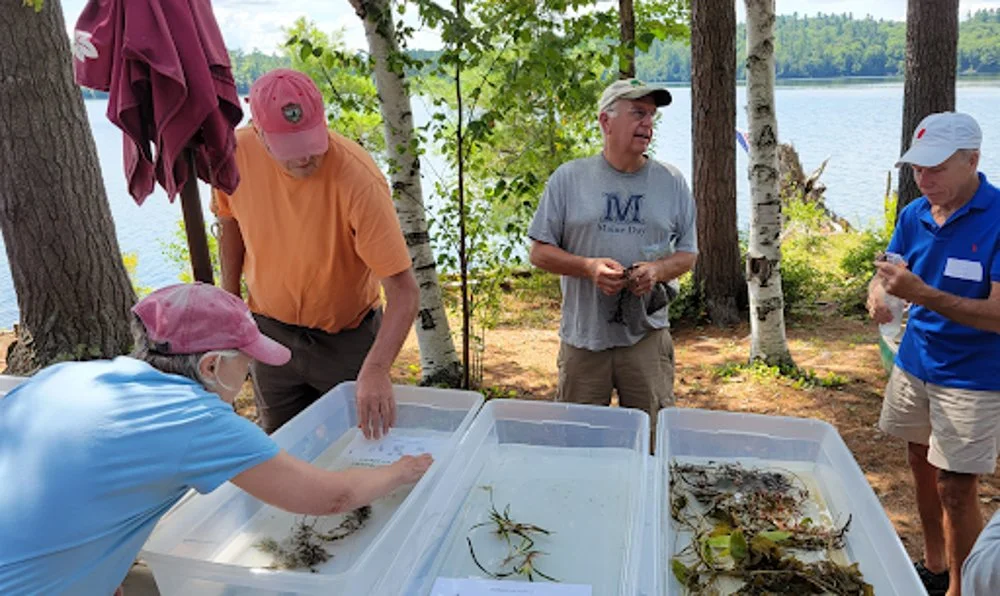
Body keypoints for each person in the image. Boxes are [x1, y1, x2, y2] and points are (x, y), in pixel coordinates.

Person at [0, 283, 432, 595]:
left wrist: (102, 570)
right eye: (246, 363)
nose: (248, 376)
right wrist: (402, 470)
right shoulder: (194, 419)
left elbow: (65, 490)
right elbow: (331, 498)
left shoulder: (66, 375)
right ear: (211, 366)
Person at [212, 68, 419, 439]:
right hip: (268, 333)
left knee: (359, 447)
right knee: (282, 447)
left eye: (311, 142)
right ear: (259, 132)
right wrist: (230, 300)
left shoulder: (359, 179)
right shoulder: (235, 155)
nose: (305, 158)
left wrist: (376, 370)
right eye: (290, 149)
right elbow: (229, 222)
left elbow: (404, 291)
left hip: (347, 340)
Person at [867, 111, 1000, 596]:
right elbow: (888, 271)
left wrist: (921, 294)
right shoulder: (914, 214)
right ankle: (936, 564)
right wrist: (878, 294)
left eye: (936, 168)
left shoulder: (998, 217)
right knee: (920, 464)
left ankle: (965, 588)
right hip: (915, 363)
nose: (924, 180)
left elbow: (997, 315)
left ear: (973, 161)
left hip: (973, 377)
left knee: (956, 489)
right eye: (918, 168)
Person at [527, 78, 698, 443]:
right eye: (637, 113)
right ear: (606, 121)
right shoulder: (569, 179)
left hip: (647, 338)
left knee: (652, 441)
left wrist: (657, 271)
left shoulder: (671, 181)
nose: (647, 123)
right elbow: (539, 251)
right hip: (584, 339)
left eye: (651, 115)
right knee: (577, 443)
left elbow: (688, 253)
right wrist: (588, 268)